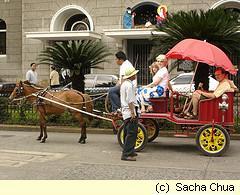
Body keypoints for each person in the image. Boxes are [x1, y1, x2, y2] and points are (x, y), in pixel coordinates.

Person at [120, 66, 139, 161]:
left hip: (125, 110)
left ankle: (129, 151)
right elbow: (130, 100)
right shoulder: (129, 85)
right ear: (131, 76)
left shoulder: (124, 84)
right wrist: (133, 112)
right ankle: (126, 154)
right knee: (132, 132)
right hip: (129, 110)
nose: (135, 75)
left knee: (128, 132)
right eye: (134, 74)